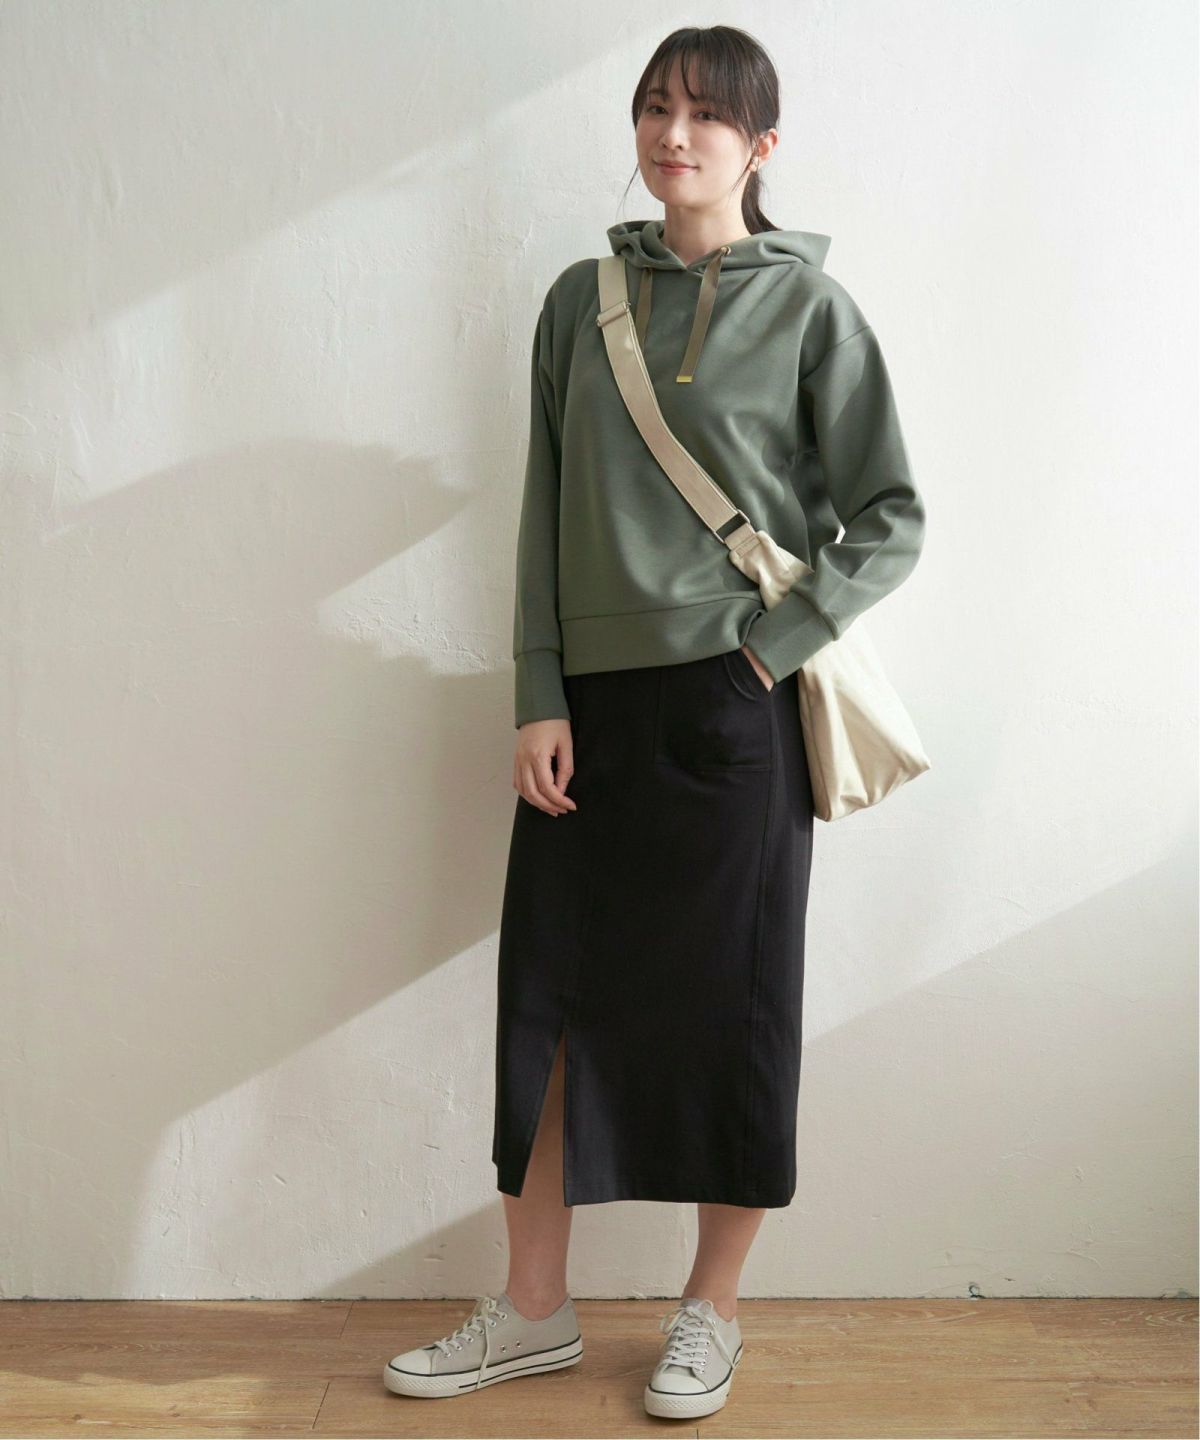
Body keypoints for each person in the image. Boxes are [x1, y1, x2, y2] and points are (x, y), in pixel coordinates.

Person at [384, 23, 926, 1420]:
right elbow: (541, 504)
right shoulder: (581, 303)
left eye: (705, 115)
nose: (673, 135)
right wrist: (537, 689)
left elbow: (891, 517)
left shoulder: (814, 313)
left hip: (739, 710)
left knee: (738, 1008)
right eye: (654, 109)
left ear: (761, 145)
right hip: (590, 715)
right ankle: (534, 1311)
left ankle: (711, 1311)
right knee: (547, 1007)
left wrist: (767, 655)